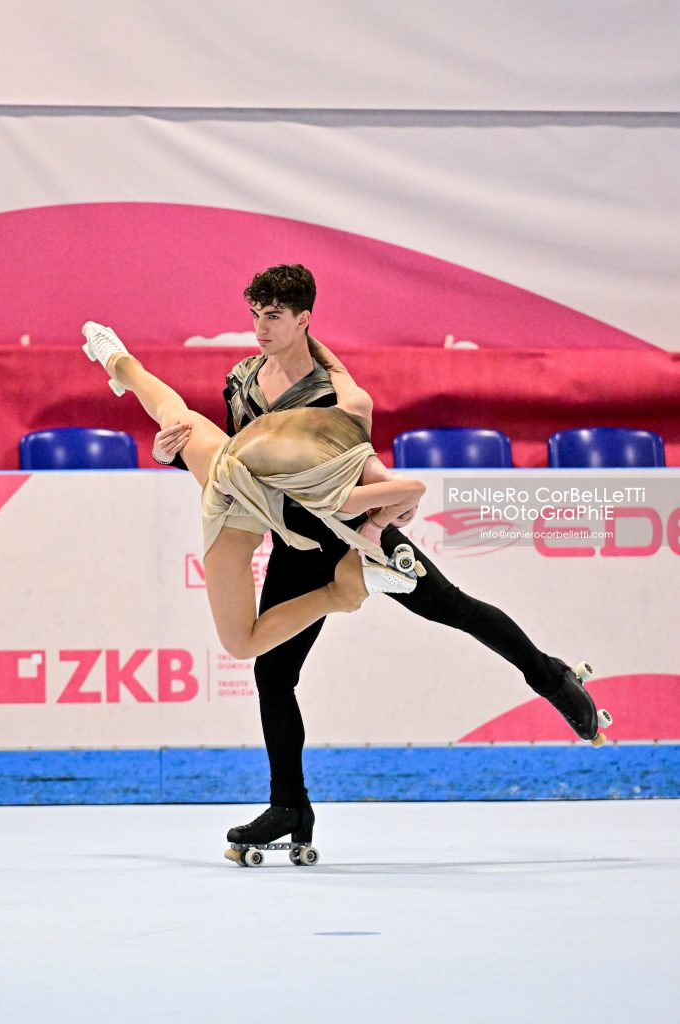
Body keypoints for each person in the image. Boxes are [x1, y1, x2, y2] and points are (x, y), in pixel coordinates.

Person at [153, 263, 608, 853]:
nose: (260, 328)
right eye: (255, 315)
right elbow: (236, 468)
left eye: (273, 316)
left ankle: (551, 677)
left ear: (303, 320)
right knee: (273, 674)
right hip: (296, 547)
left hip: (353, 538)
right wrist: (172, 451)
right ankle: (289, 807)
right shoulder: (240, 380)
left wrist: (375, 525)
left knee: (454, 608)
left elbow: (370, 472)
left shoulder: (336, 393)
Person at [81, 320, 428, 664]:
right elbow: (412, 488)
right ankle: (340, 592)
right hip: (238, 492)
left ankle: (115, 357)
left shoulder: (353, 409)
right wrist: (377, 523)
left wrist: (301, 333)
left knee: (169, 410)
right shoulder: (343, 458)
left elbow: (335, 367)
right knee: (242, 643)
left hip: (230, 476)